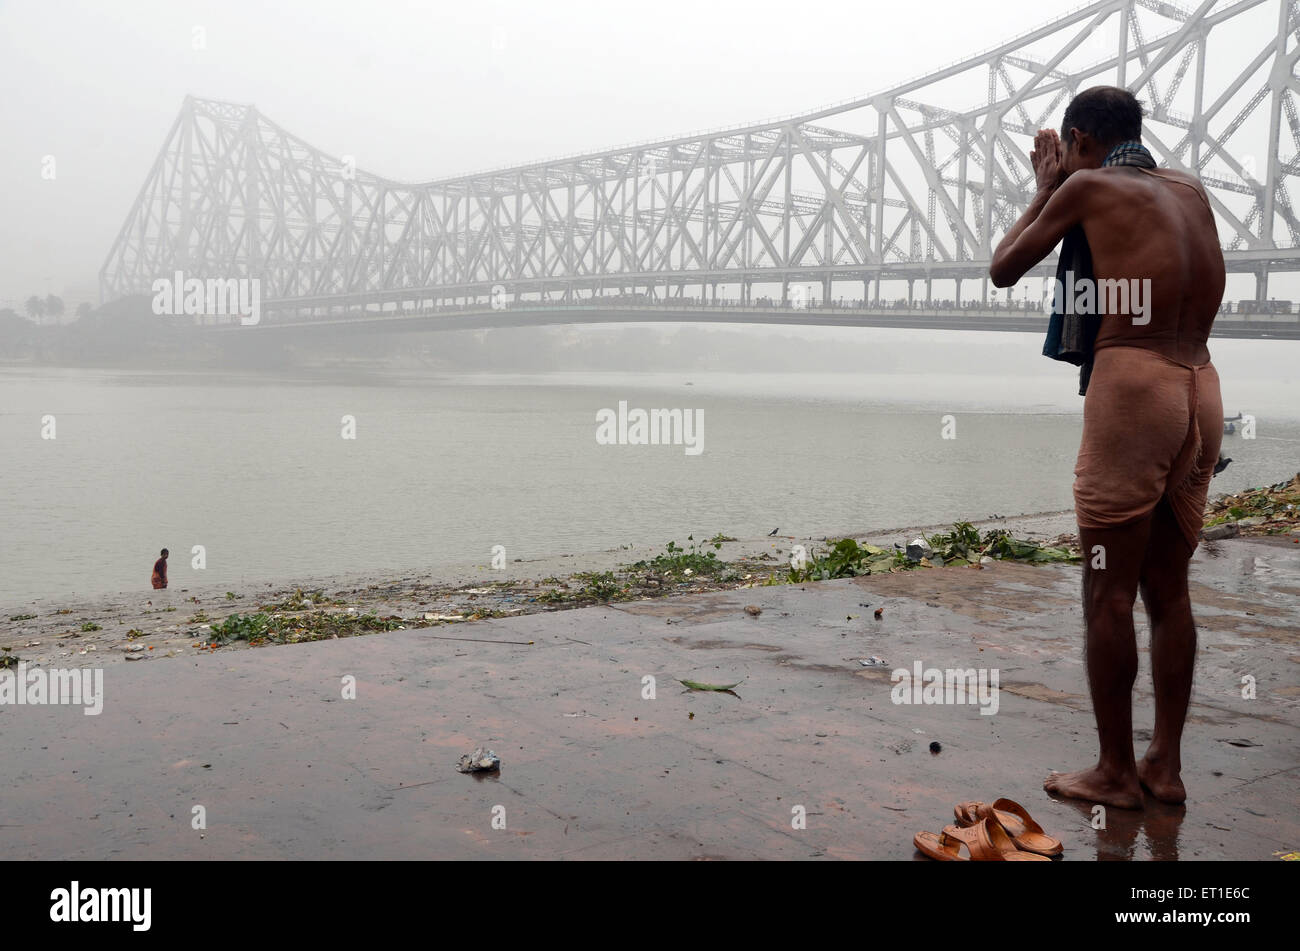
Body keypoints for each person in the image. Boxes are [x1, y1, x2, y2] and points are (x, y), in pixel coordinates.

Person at [989, 86, 1224, 808]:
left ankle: (1115, 772)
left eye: (1070, 150)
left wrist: (1046, 187)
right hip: (1201, 389)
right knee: (1168, 589)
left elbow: (1002, 266)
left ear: (1082, 140)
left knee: (1106, 589)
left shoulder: (1086, 185)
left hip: (1133, 392)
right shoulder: (1191, 188)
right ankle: (1164, 765)